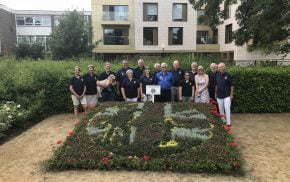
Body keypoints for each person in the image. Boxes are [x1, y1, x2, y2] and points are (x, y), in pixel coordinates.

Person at [215, 63, 234, 127]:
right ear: (218, 68)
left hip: (227, 96)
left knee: (227, 109)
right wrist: (215, 93)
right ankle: (223, 121)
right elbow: (216, 85)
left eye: (222, 67)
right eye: (219, 68)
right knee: (221, 109)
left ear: (225, 67)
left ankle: (228, 123)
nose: (221, 69)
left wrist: (231, 95)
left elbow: (232, 86)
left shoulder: (229, 75)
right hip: (219, 95)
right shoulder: (217, 75)